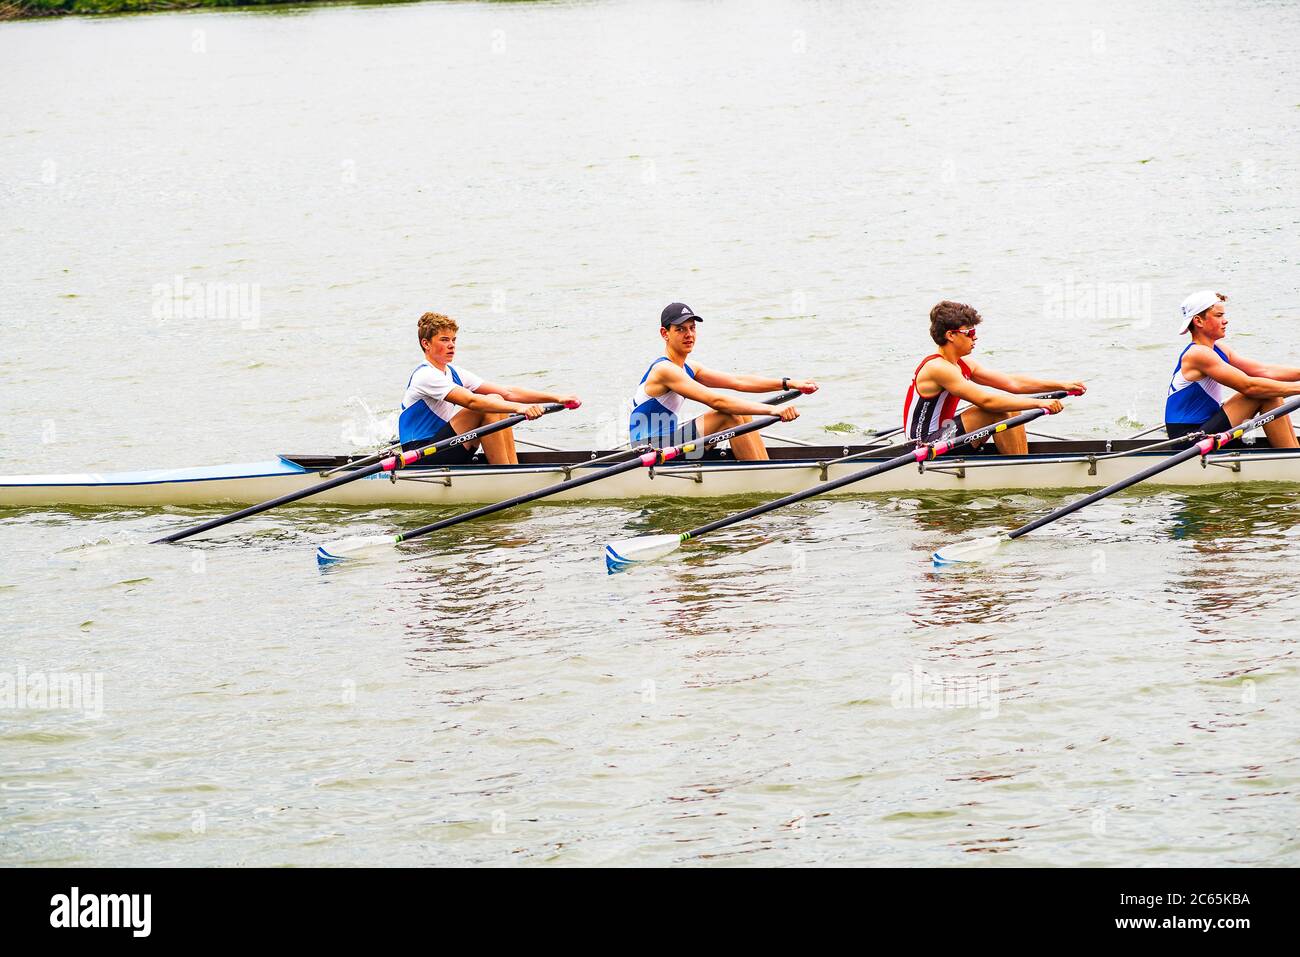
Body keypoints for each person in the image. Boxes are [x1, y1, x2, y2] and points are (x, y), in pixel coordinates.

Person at [628, 302, 817, 460]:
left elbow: (738, 381)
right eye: (680, 329)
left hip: (668, 443)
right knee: (728, 415)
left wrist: (789, 383)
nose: (689, 335)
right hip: (649, 451)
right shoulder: (664, 370)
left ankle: (765, 467)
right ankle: (762, 475)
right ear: (664, 333)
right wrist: (773, 409)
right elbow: (716, 401)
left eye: (692, 328)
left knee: (743, 415)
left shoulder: (689, 367)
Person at [903, 300, 1085, 454]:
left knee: (1010, 407)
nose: (975, 338)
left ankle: (1022, 462)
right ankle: (1021, 471)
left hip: (945, 433)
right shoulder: (938, 367)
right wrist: (1039, 403)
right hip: (923, 445)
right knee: (996, 409)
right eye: (970, 333)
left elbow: (1013, 383)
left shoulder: (964, 364)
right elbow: (987, 401)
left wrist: (1062, 385)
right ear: (950, 335)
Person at [399, 312, 580, 464]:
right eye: (444, 340)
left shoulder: (454, 372)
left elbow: (508, 392)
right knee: (489, 403)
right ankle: (506, 476)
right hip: (420, 455)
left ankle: (511, 467)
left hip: (446, 447)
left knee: (497, 399)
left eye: (454, 339)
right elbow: (472, 401)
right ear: (426, 344)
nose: (452, 345)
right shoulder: (425, 375)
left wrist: (557, 398)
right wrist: (520, 409)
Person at [1164, 290, 1300, 446]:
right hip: (1189, 438)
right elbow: (1249, 386)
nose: (1225, 321)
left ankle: (1293, 453)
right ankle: (1291, 458)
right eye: (1218, 315)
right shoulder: (1197, 353)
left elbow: (1264, 371)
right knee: (1262, 392)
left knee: (1270, 392)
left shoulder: (1219, 349)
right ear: (1198, 321)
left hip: (1208, 426)